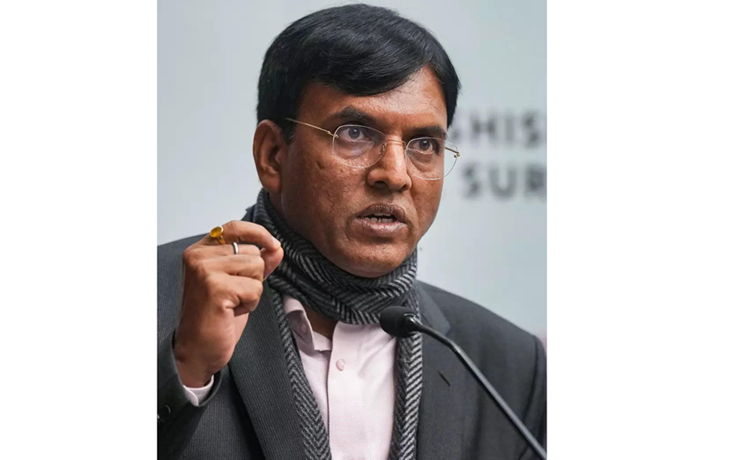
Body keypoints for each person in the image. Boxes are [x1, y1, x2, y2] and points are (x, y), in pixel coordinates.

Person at [158, 4, 545, 460]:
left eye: (424, 144)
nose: (394, 174)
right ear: (273, 155)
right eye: (355, 134)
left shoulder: (507, 365)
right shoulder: (155, 304)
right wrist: (184, 370)